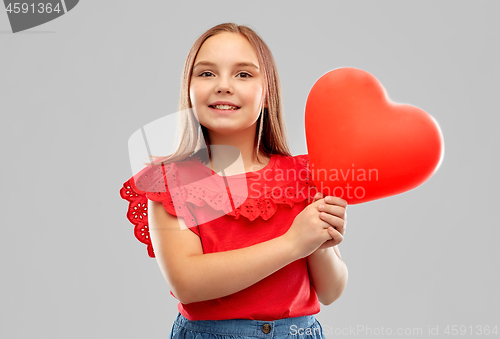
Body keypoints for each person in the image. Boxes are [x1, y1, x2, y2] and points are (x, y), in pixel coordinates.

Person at [119, 22, 348, 339]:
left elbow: (331, 290)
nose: (223, 85)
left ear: (267, 94)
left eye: (243, 74)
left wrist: (318, 244)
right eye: (207, 73)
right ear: (189, 89)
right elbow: (187, 283)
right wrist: (293, 243)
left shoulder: (306, 175)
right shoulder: (170, 181)